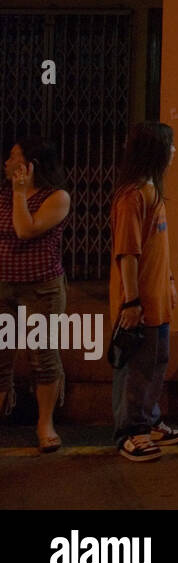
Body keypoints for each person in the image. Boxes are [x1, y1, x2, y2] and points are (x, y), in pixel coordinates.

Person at [109, 122, 178, 463]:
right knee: (136, 370)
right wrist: (132, 300)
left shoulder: (152, 190)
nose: (173, 152)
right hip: (140, 304)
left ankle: (150, 422)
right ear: (154, 151)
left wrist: (167, 282)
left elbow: (155, 250)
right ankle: (130, 432)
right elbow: (128, 253)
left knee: (157, 362)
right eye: (169, 146)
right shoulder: (133, 196)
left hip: (157, 301)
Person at [0, 137, 72, 453]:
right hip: (3, 286)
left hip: (41, 287)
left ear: (30, 166)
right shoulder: (2, 197)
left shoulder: (56, 198)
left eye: (13, 157)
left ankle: (45, 424)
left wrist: (19, 194)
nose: (6, 163)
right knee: (1, 357)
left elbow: (25, 230)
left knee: (42, 356)